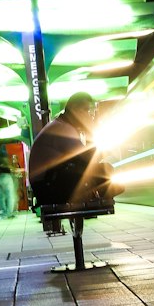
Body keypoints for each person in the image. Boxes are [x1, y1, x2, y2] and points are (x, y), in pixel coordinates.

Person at [27, 92, 122, 220]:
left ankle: (93, 194)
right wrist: (91, 130)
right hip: (49, 188)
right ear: (74, 110)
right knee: (105, 170)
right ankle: (92, 195)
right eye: (87, 111)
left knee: (103, 173)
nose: (91, 116)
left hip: (47, 186)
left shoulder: (61, 125)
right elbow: (87, 160)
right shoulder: (63, 129)